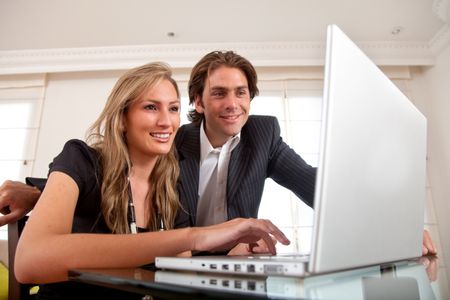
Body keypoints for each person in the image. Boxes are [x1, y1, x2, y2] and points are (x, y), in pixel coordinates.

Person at [0, 51, 437, 255]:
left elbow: (316, 185)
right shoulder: (172, 141)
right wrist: (42, 192)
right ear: (198, 102)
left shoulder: (264, 136)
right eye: (220, 93)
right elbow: (111, 170)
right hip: (173, 253)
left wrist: (390, 223)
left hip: (225, 260)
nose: (234, 104)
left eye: (243, 93)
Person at [12, 62, 289, 299]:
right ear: (122, 117)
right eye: (150, 107)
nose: (166, 122)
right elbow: (30, 262)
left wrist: (229, 261)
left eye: (173, 109)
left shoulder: (172, 182)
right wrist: (197, 236)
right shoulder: (80, 159)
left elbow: (180, 274)